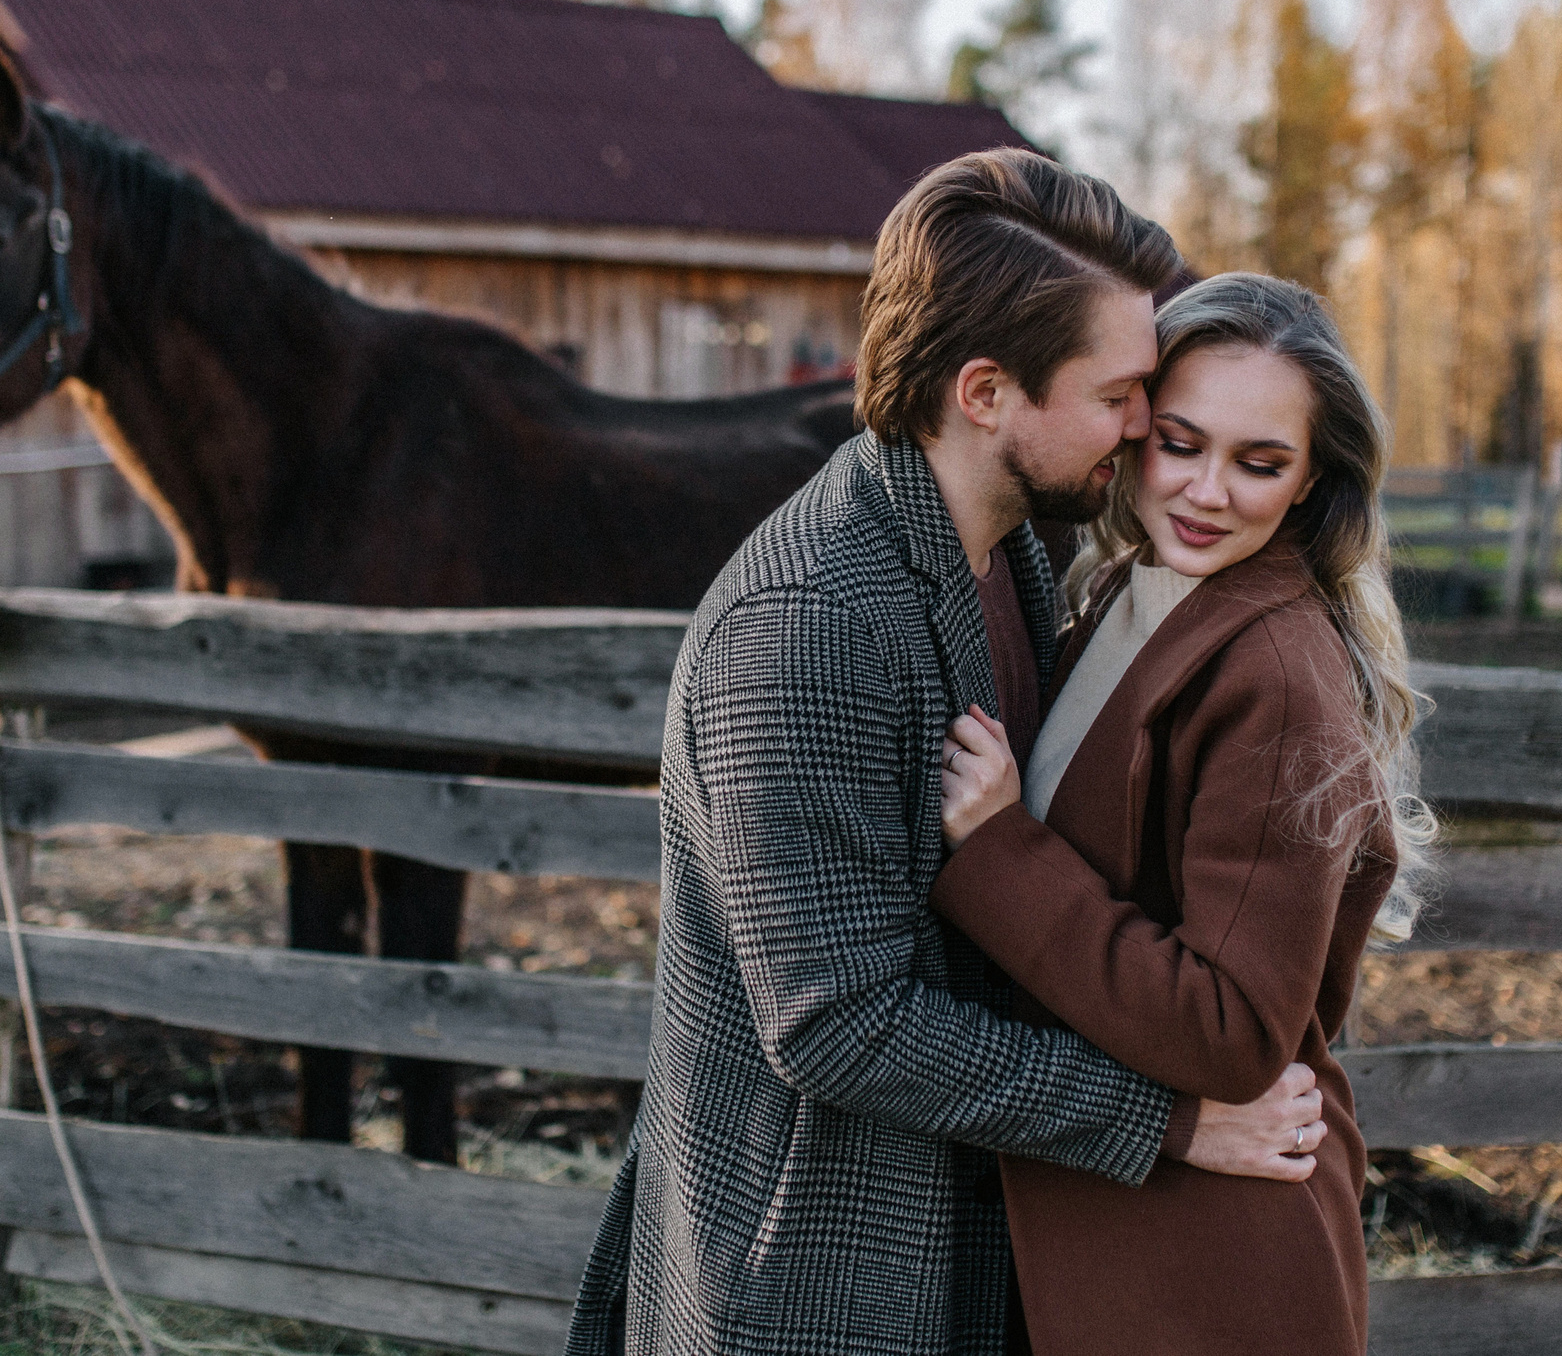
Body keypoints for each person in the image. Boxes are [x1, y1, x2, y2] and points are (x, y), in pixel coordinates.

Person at [566, 156, 1330, 1356]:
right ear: (986, 392)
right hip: (816, 1276)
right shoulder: (809, 625)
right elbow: (841, 1025)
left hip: (965, 1246)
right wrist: (1169, 1121)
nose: (1144, 428)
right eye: (1120, 393)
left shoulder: (1017, 555)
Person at [930, 271, 1433, 1355]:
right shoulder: (1131, 587)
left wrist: (999, 849)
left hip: (1208, 1271)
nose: (1208, 492)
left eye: (1260, 464)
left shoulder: (1276, 678)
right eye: (1181, 443)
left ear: (1310, 482)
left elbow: (1235, 1030)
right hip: (1110, 1233)